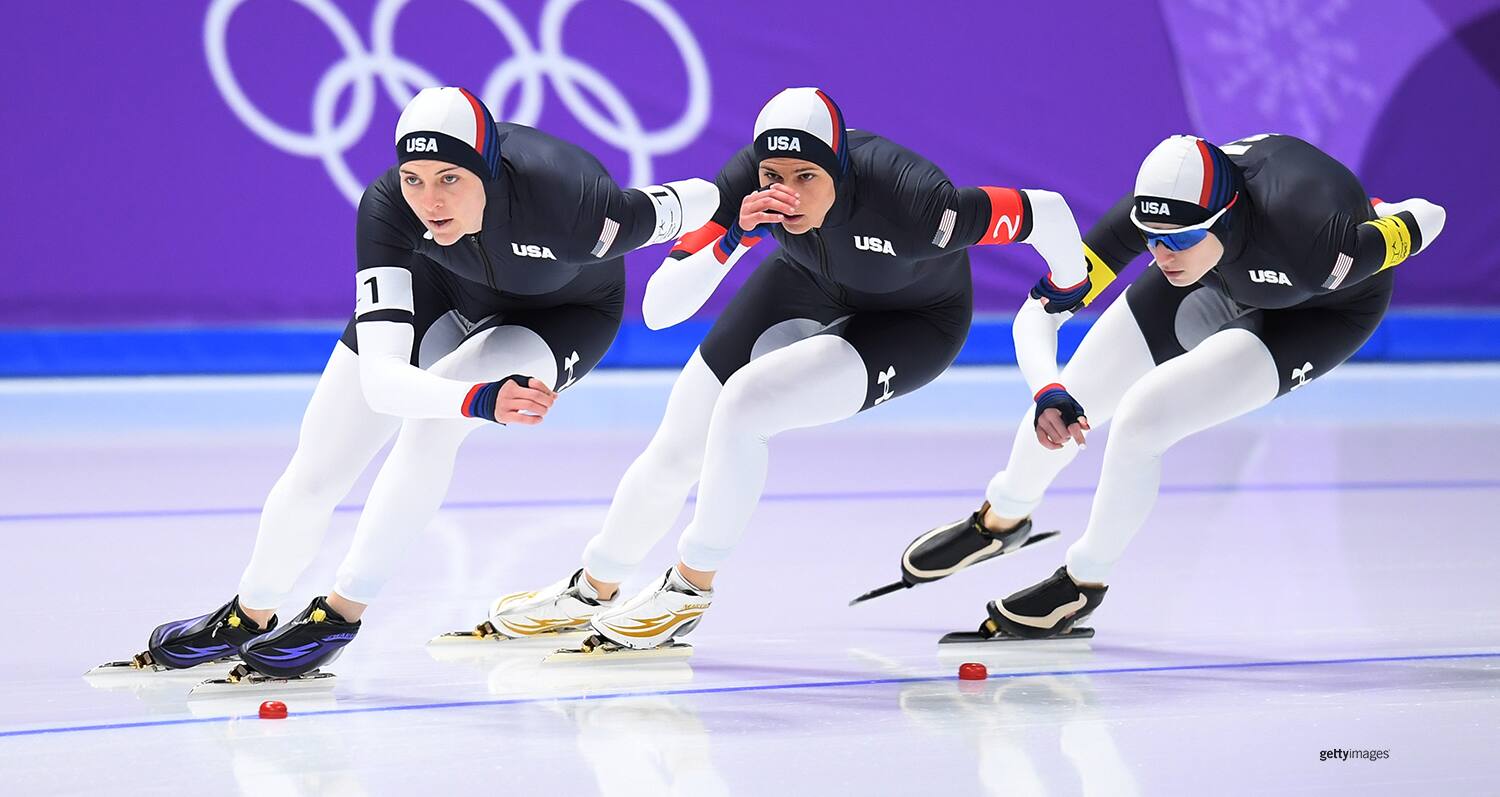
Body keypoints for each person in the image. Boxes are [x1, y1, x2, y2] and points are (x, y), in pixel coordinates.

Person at [110, 86, 717, 682]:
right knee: (321, 457)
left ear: (490, 173)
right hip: (441, 287)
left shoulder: (576, 203)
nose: (430, 200)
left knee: (430, 428)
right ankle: (248, 613)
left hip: (559, 315)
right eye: (414, 178)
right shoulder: (386, 209)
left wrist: (742, 207)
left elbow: (696, 199)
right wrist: (479, 400)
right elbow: (381, 382)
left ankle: (339, 615)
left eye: (450, 178)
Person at [477, 87, 1091, 655]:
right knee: (678, 440)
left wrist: (1069, 283)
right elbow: (662, 312)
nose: (787, 192)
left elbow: (1046, 210)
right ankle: (593, 589)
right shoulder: (747, 185)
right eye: (775, 175)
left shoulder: (916, 202)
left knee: (747, 405)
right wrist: (735, 235)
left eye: (807, 177)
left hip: (912, 320)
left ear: (841, 173)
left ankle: (689, 589)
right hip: (806, 282)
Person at [897, 133, 1446, 640]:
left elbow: (1431, 215)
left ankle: (1083, 583)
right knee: (1080, 390)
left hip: (1315, 312)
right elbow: (1039, 315)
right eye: (1153, 240)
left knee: (1144, 418)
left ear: (1224, 219)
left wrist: (1388, 220)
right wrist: (1048, 391)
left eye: (1177, 240)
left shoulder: (1323, 251)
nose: (1161, 255)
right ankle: (1000, 519)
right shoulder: (1164, 225)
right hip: (1218, 275)